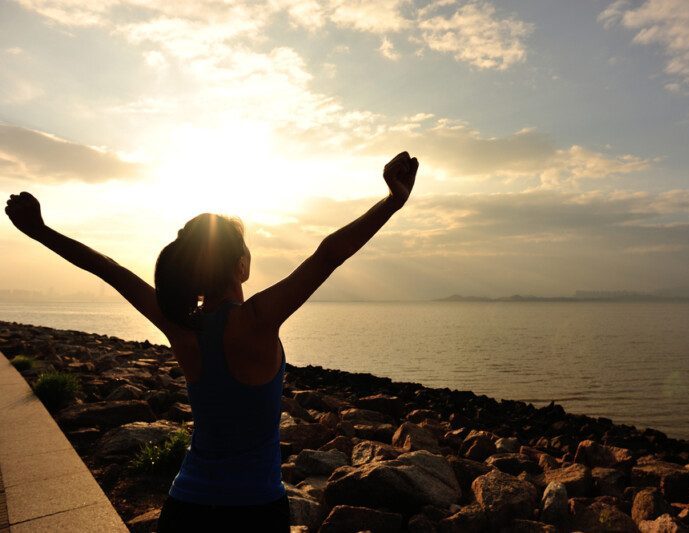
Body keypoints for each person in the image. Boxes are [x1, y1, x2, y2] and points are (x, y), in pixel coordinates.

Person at [4, 151, 419, 532]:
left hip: (187, 504)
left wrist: (40, 231)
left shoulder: (182, 325)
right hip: (254, 509)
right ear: (241, 265)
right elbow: (329, 254)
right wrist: (392, 203)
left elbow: (107, 268)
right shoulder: (257, 318)